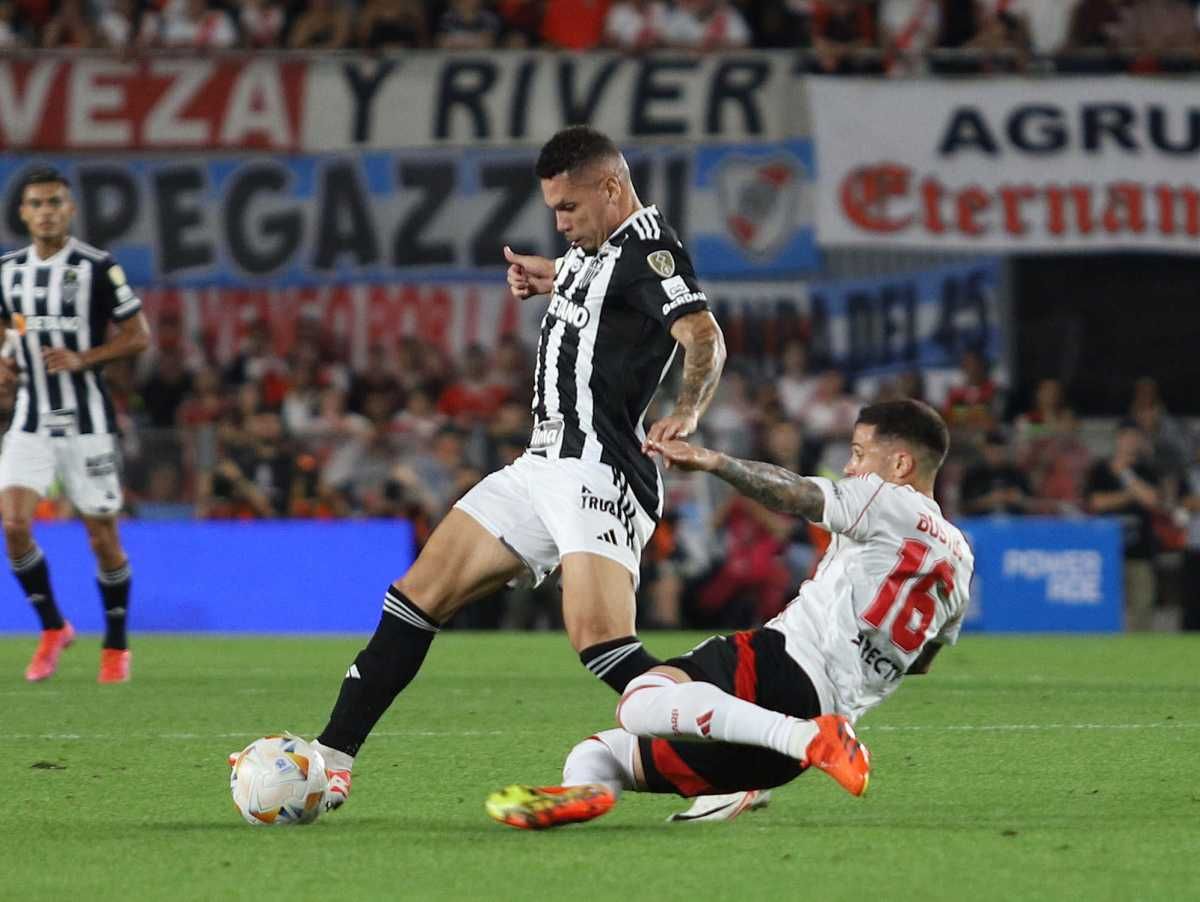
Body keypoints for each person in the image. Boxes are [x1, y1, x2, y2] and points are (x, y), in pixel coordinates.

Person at [270, 126, 726, 813]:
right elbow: (593, 286)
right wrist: (546, 274)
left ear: (610, 187)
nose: (561, 222)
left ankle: (731, 764)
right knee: (418, 594)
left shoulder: (651, 253)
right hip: (539, 464)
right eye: (553, 210)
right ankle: (332, 760)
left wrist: (688, 411)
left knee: (601, 643)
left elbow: (703, 336)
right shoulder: (595, 252)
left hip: (598, 470)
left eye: (569, 207)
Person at [483, 400, 975, 829]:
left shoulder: (888, 498)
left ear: (902, 463)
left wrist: (716, 462)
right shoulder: (960, 559)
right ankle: (594, 791)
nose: (850, 468)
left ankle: (807, 737)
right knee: (598, 752)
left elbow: (798, 494)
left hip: (784, 668)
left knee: (641, 699)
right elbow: (924, 660)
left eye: (859, 454)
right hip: (791, 751)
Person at [0, 167, 151, 683]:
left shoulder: (96, 267)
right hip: (30, 418)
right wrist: (5, 356)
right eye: (36, 203)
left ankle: (115, 645)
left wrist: (85, 356)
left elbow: (138, 335)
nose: (45, 211)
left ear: (70, 209)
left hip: (88, 423)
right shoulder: (7, 270)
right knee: (15, 525)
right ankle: (52, 628)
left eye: (54, 202)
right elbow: (7, 328)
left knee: (101, 538)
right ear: (23, 213)